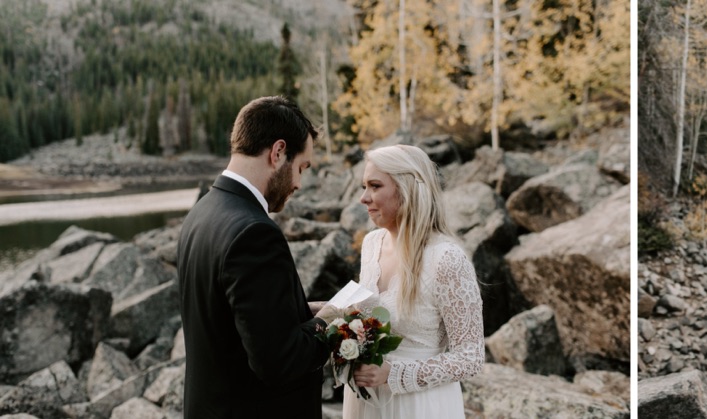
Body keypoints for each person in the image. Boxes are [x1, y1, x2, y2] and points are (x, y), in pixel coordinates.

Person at [177, 96, 337, 418]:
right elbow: (279, 361)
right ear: (278, 153)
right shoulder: (254, 233)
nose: (298, 184)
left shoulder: (201, 213)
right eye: (301, 167)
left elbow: (232, 317)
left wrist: (301, 311)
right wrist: (329, 322)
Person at [337, 144, 484, 418]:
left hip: (420, 406)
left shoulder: (447, 259)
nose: (363, 198)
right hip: (366, 403)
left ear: (406, 189)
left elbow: (471, 357)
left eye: (375, 186)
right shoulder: (371, 245)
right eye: (364, 186)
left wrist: (395, 374)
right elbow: (366, 313)